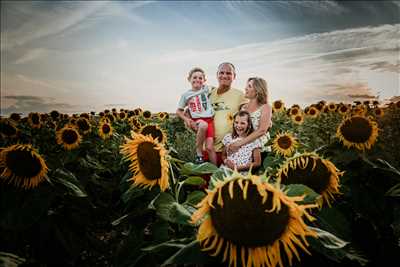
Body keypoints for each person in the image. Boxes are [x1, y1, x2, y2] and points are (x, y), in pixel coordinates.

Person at [207, 62, 247, 166]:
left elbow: (249, 115)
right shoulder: (208, 94)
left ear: (234, 76)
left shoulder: (240, 95)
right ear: (217, 74)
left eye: (229, 73)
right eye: (222, 72)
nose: (224, 76)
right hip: (208, 148)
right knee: (207, 181)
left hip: (230, 150)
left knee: (227, 181)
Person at [176, 67, 217, 165]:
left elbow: (217, 90)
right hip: (197, 120)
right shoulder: (186, 95)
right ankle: (199, 153)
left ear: (204, 80)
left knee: (210, 147)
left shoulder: (207, 89)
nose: (197, 80)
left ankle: (216, 171)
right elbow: (178, 111)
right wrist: (187, 120)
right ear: (189, 79)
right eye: (194, 77)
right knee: (203, 125)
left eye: (200, 78)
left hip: (209, 120)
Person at [227, 77, 272, 159]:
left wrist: (240, 143)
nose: (245, 88)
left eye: (249, 86)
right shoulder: (242, 108)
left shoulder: (265, 107)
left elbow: (262, 130)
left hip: (260, 149)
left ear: (257, 90)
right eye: (246, 86)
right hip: (243, 149)